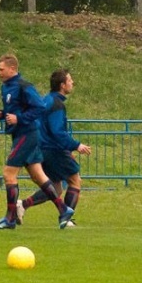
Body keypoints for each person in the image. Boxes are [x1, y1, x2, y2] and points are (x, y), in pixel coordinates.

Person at [0, 55, 74, 230]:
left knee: (9, 173)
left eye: (1, 69)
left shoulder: (24, 86)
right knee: (38, 176)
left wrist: (19, 119)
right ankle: (64, 209)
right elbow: (15, 109)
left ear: (12, 69)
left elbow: (39, 107)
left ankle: (10, 218)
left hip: (27, 134)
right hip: (19, 134)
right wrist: (2, 113)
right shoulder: (6, 87)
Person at [17, 69, 91, 227]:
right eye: (69, 80)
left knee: (55, 188)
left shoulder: (46, 100)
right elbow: (57, 131)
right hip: (53, 149)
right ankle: (66, 217)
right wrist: (76, 145)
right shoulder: (57, 104)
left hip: (42, 148)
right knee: (75, 180)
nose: (72, 83)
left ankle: (22, 205)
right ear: (62, 85)